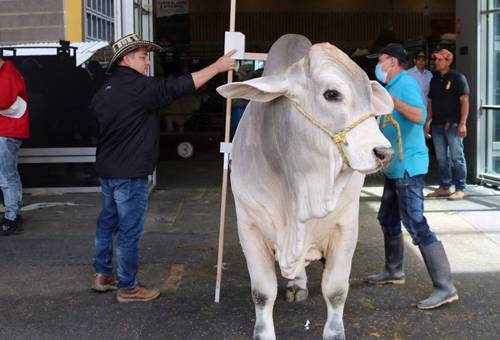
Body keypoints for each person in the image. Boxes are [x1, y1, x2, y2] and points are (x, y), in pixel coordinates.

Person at [90, 34, 236, 302]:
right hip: (130, 173)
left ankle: (102, 274)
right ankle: (128, 288)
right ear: (126, 59)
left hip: (108, 170)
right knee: (129, 231)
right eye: (143, 57)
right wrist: (218, 67)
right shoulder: (139, 88)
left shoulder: (105, 90)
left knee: (107, 223)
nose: (147, 63)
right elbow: (180, 86)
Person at [366, 43, 458, 310]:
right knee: (387, 217)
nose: (379, 64)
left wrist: (392, 102)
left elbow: (418, 116)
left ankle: (445, 287)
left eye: (381, 59)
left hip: (409, 167)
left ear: (393, 62)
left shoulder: (403, 84)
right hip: (395, 168)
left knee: (416, 223)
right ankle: (394, 271)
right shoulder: (391, 86)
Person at [425, 49, 470, 200]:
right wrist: (428, 121)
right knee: (441, 158)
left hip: (454, 124)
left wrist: (463, 123)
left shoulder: (458, 78)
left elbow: (464, 101)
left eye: (439, 60)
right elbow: (431, 102)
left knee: (457, 157)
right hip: (437, 124)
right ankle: (445, 187)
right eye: (435, 59)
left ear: (448, 61)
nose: (436, 62)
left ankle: (461, 188)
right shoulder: (434, 79)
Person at [0, 57, 30, 236]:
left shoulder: (8, 74)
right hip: (8, 131)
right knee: (9, 174)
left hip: (6, 131)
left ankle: (12, 218)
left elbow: (3, 100)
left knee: (6, 176)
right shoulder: (9, 73)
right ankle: (14, 214)